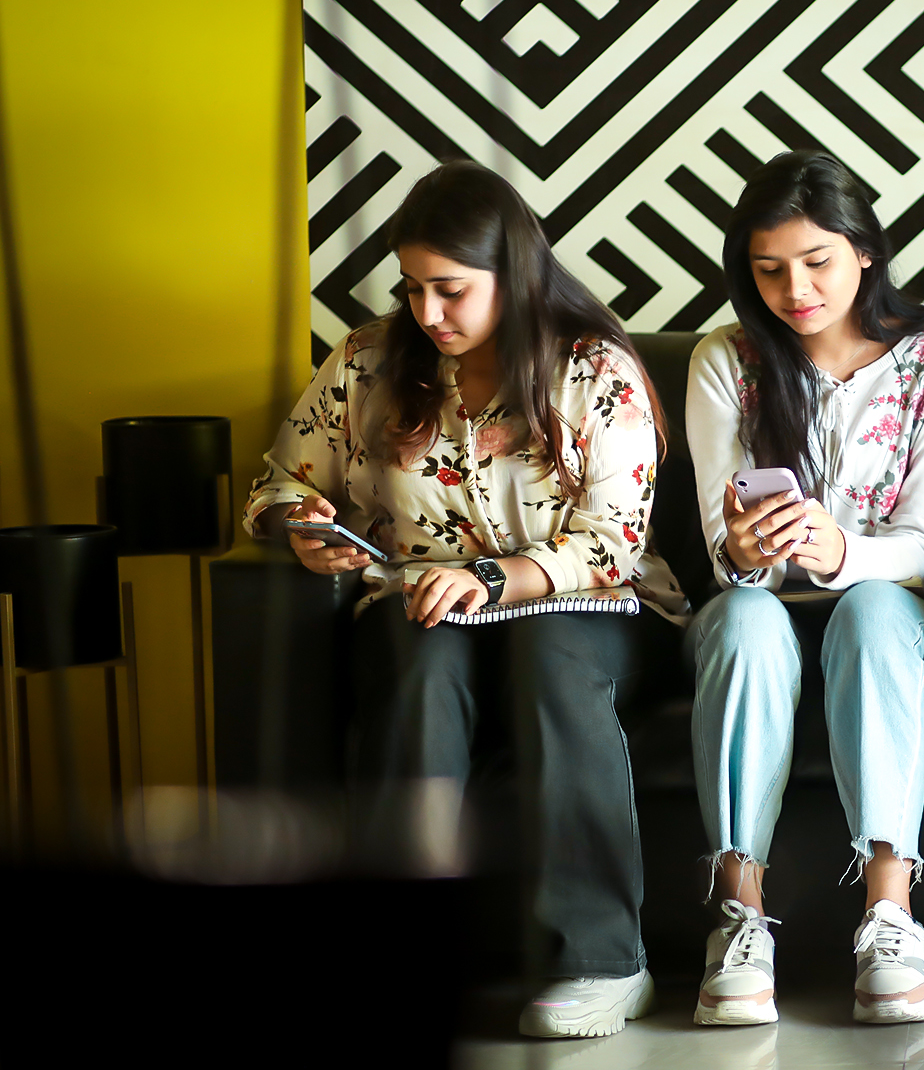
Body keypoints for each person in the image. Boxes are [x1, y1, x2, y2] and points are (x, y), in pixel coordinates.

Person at [242, 162, 686, 1039]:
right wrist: (301, 527)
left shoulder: (594, 370)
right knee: (417, 662)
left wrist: (490, 579)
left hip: (584, 604)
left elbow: (612, 543)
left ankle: (602, 961)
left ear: (512, 274)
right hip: (422, 600)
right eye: (413, 289)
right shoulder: (367, 361)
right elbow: (279, 484)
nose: (428, 312)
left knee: (548, 657)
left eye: (450, 289)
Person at [682, 150, 924, 1026]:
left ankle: (891, 919)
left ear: (865, 251)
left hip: (898, 609)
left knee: (874, 607)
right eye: (769, 270)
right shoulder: (724, 360)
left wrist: (843, 550)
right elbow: (725, 554)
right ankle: (740, 918)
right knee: (742, 613)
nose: (795, 290)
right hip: (763, 607)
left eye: (816, 262)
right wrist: (745, 551)